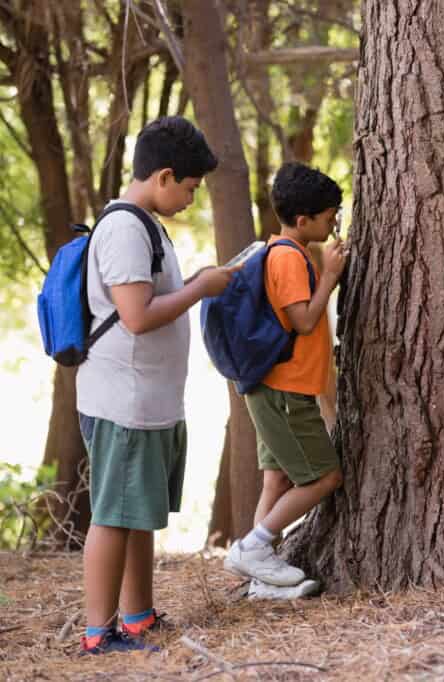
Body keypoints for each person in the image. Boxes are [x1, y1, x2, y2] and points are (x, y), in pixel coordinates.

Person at [77, 116, 234, 654]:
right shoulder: (124, 228)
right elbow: (137, 316)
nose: (192, 198)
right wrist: (200, 291)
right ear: (164, 176)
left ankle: (138, 616)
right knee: (114, 515)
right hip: (123, 399)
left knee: (137, 511)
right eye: (189, 188)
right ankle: (99, 634)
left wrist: (194, 284)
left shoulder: (147, 225)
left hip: (148, 400)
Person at [223, 162, 346, 596]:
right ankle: (253, 548)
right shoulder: (289, 258)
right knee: (324, 478)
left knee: (277, 480)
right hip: (287, 391)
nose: (333, 227)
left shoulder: (281, 251)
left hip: (272, 387)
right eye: (329, 218)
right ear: (302, 220)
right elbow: (305, 320)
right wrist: (330, 275)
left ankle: (262, 580)